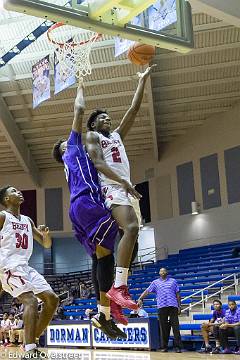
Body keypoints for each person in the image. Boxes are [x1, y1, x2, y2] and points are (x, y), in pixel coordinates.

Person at [52, 82, 130, 339]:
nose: (70, 139)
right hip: (87, 203)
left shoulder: (74, 160)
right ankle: (114, 296)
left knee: (100, 258)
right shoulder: (73, 148)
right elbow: (79, 110)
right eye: (67, 141)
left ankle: (103, 314)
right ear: (65, 149)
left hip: (78, 209)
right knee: (127, 231)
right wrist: (80, 86)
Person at [85, 65, 156, 309]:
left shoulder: (115, 135)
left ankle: (119, 286)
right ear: (93, 125)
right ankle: (118, 287)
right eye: (101, 118)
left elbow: (133, 109)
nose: (107, 119)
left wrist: (142, 81)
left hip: (124, 188)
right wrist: (123, 182)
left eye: (107, 117)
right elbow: (98, 163)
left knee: (133, 237)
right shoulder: (94, 137)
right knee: (132, 227)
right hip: (112, 188)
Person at [0, 186, 59, 359]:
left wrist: (46, 235)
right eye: (13, 191)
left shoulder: (27, 220)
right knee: (31, 301)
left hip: (25, 266)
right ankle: (30, 349)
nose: (18, 191)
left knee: (52, 300)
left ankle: (31, 338)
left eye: (18, 190)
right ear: (6, 199)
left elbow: (46, 244)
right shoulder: (3, 217)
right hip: (8, 266)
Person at [137, 267, 182, 353]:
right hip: (161, 306)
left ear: (167, 272)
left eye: (164, 270)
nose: (163, 272)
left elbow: (178, 294)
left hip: (173, 306)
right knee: (163, 328)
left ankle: (178, 347)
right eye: (161, 271)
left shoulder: (173, 281)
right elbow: (147, 291)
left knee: (175, 327)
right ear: (159, 273)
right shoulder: (155, 282)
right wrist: (140, 298)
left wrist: (179, 306)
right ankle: (164, 347)